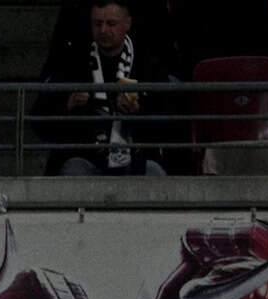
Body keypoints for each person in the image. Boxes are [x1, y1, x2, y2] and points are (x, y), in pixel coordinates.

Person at [31, 1, 173, 176]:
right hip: (84, 157)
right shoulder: (72, 62)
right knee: (74, 170)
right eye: (97, 23)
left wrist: (138, 111)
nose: (103, 30)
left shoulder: (148, 64)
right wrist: (68, 104)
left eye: (111, 23)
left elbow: (169, 123)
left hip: (136, 157)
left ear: (127, 24)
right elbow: (39, 122)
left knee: (153, 172)